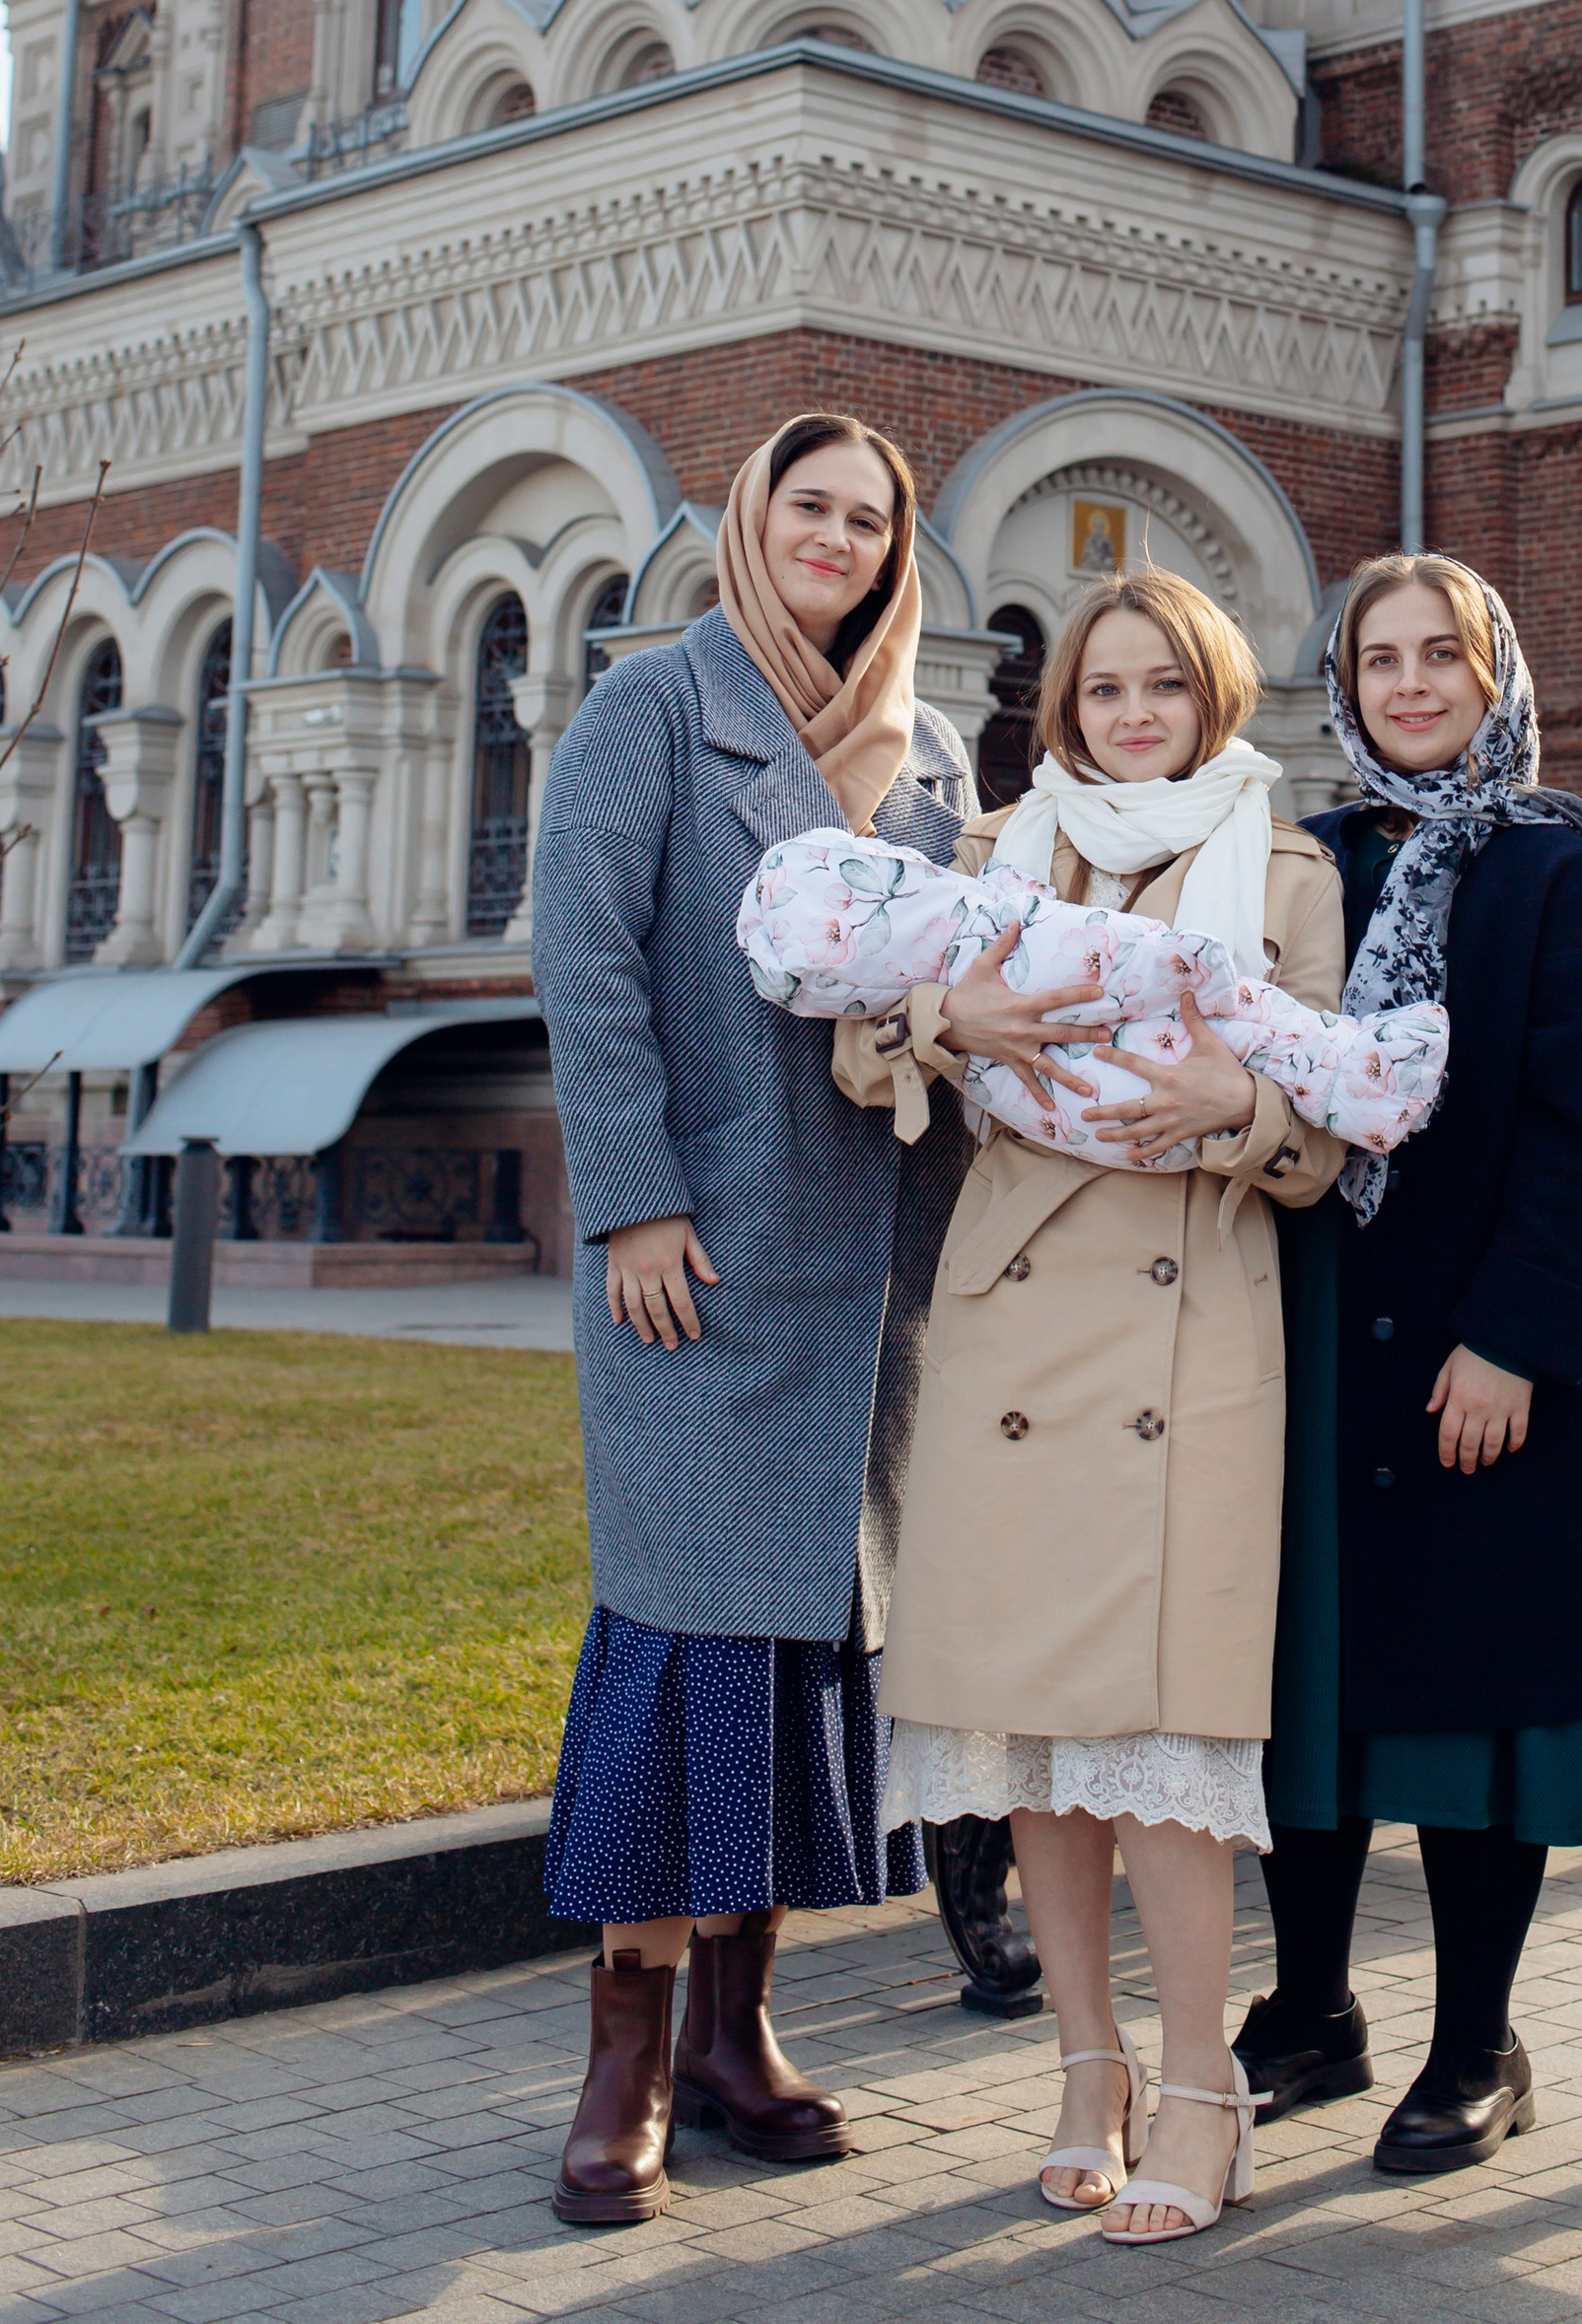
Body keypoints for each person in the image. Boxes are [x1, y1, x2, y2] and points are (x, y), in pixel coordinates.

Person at [839, 568, 1343, 2247]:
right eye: (1104, 689)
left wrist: (1234, 1103)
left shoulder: (1287, 868)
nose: (1133, 716)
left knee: (1164, 1737)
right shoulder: (991, 853)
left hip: (1189, 1324)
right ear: (1062, 709)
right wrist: (949, 1014)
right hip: (1005, 1327)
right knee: (1035, 1734)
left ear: (1215, 700)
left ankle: (1203, 2087)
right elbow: (859, 1052)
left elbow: (1329, 1131)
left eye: (1164, 687)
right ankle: (1085, 2068)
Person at [530, 413, 972, 2229]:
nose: (840, 541)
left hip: (873, 1262)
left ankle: (738, 2029)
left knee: (801, 1644)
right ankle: (624, 2057)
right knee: (678, 1642)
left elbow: (961, 967)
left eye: (870, 520)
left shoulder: (928, 750)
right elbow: (585, 963)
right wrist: (632, 1197)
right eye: (813, 508)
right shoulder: (652, 709)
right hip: (697, 1259)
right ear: (752, 519)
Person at [1235, 553, 1582, 2178]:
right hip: (1324, 1325)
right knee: (1313, 1688)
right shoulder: (1311, 858)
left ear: (1493, 676)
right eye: (1378, 660)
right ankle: (1310, 2009)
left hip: (1483, 1344)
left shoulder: (1553, 871)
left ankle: (1478, 2040)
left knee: (1480, 1706)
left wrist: (1516, 1340)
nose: (1410, 685)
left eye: (1439, 657)